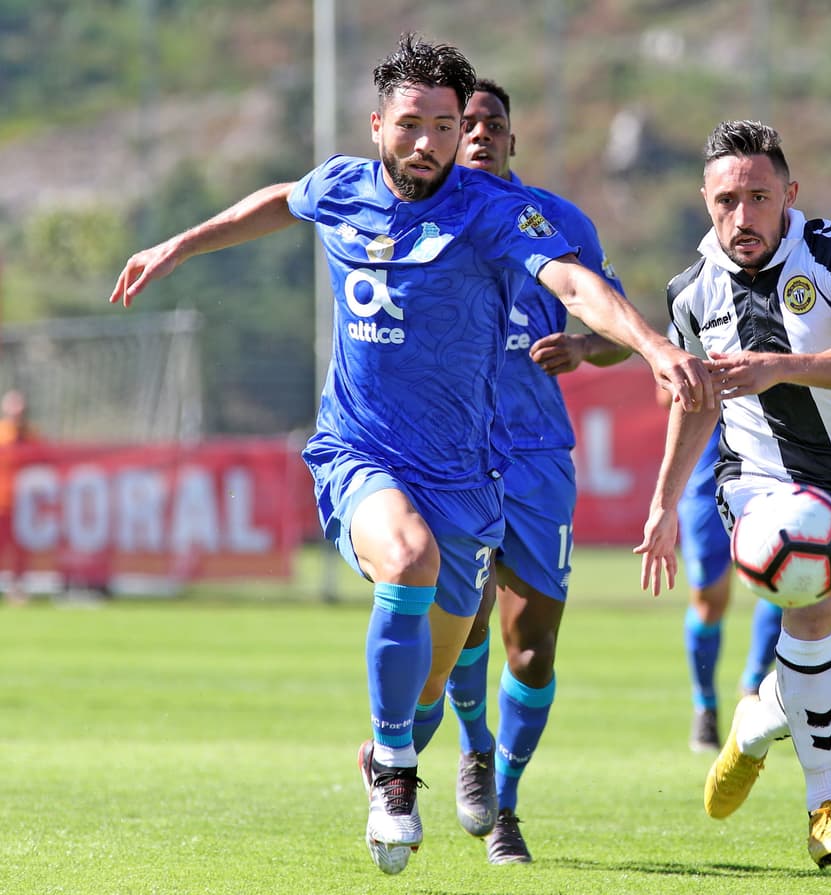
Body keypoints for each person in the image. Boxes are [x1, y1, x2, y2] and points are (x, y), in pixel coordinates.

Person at [109, 34, 712, 876]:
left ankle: (392, 749)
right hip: (359, 451)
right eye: (410, 125)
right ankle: (396, 774)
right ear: (377, 125)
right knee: (407, 556)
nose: (427, 143)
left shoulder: (489, 211)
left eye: (443, 126)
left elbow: (576, 284)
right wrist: (180, 243)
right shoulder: (343, 187)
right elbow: (281, 200)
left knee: (434, 678)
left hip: (465, 476)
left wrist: (651, 344)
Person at [635, 119, 831, 868]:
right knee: (809, 597)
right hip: (761, 482)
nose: (743, 215)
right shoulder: (692, 292)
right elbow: (695, 402)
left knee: (818, 667)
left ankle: (755, 724)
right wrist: (664, 502)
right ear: (705, 201)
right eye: (726, 200)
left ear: (789, 195)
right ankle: (825, 805)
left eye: (759, 197)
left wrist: (780, 364)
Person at [420, 78, 631, 864]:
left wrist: (582, 346)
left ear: (513, 139)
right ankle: (476, 747)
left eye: (493, 123)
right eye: (465, 123)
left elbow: (618, 326)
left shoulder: (561, 222)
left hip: (539, 457)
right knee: (465, 619)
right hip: (455, 455)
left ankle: (505, 802)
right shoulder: (422, 217)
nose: (479, 133)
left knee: (532, 646)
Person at [657, 381, 783, 753]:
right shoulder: (700, 334)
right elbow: (665, 394)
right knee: (708, 603)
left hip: (773, 473)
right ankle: (705, 704)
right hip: (706, 482)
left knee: (786, 583)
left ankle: (753, 688)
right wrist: (715, 380)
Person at [0, 389, 36, 606]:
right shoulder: (2, 433)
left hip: (24, 504)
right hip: (1, 502)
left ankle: (16, 589)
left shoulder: (31, 434)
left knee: (20, 550)